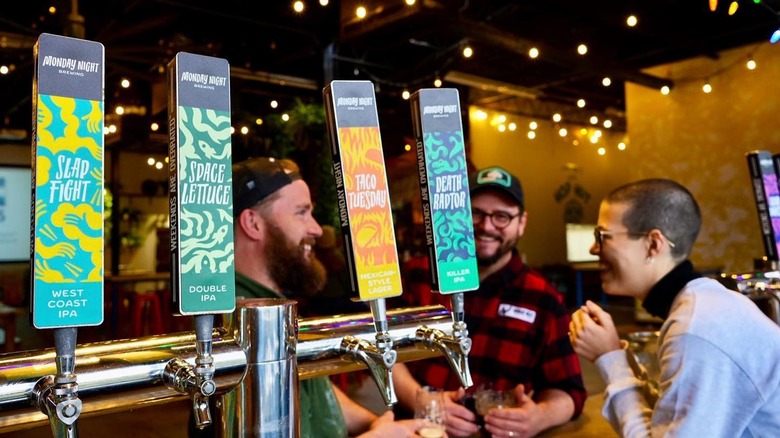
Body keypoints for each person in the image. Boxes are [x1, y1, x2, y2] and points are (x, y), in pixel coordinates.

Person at [191, 156, 430, 437]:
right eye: (301, 212)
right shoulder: (237, 320)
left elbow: (314, 392)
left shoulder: (273, 304)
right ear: (253, 224)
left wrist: (377, 424)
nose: (317, 229)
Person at [569, 178, 780, 437]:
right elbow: (668, 419)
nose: (593, 248)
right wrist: (618, 358)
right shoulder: (702, 303)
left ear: (653, 244)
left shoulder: (696, 327)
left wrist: (610, 358)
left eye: (601, 236)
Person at [392, 165, 587, 438]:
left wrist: (539, 417)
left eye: (502, 217)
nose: (486, 226)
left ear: (522, 223)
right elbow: (384, 353)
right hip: (415, 431)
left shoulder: (543, 299)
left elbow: (568, 390)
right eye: (476, 214)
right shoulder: (418, 275)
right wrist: (422, 401)